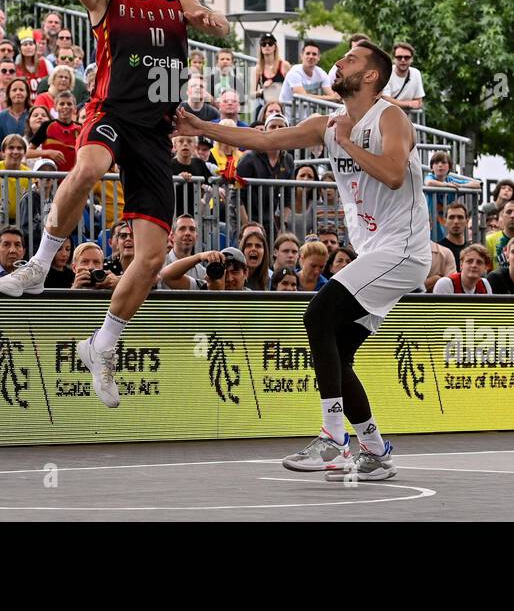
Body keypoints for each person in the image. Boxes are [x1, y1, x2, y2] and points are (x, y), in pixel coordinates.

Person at [0, 0, 230, 410]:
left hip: (156, 136)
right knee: (89, 168)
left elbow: (207, 16)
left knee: (151, 257)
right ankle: (40, 262)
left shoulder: (175, 2)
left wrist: (214, 20)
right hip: (111, 115)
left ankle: (102, 344)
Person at [178, 39, 430, 481]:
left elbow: (392, 173)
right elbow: (261, 137)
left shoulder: (390, 116)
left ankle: (333, 440)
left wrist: (349, 145)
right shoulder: (325, 124)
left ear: (371, 75)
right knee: (339, 351)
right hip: (379, 255)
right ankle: (373, 448)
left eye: (350, 59)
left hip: (403, 250)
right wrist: (203, 128)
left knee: (316, 315)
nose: (339, 62)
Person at [424, 151, 480, 243]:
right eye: (436, 163)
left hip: (446, 221)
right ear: (431, 168)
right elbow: (428, 183)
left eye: (443, 162)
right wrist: (446, 185)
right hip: (430, 221)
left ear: (449, 166)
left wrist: (460, 186)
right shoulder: (430, 177)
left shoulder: (451, 180)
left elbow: (477, 184)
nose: (440, 165)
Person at [279, 41, 334, 105]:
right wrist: (328, 98)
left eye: (314, 54)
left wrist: (333, 97)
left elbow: (332, 95)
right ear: (301, 56)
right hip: (286, 111)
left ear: (319, 57)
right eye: (308, 53)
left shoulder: (321, 73)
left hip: (304, 112)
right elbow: (302, 96)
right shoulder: (294, 72)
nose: (311, 56)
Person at [430, 244, 495, 294]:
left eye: (479, 262)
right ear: (461, 265)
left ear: (485, 267)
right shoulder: (446, 283)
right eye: (469, 261)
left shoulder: (485, 284)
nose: (474, 265)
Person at [382, 42, 424, 111]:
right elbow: (385, 99)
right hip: (388, 114)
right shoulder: (387, 72)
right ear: (394, 59)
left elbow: (419, 102)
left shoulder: (416, 73)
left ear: (412, 59)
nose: (403, 60)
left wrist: (395, 102)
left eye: (407, 57)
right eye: (399, 57)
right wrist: (408, 104)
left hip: (408, 118)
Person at [251, 33, 291, 106]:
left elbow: (292, 88)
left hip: (282, 106)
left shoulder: (284, 65)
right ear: (260, 48)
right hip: (265, 106)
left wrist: (276, 87)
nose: (267, 46)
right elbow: (251, 94)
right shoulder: (258, 68)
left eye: (270, 43)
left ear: (275, 47)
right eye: (263, 44)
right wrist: (263, 90)